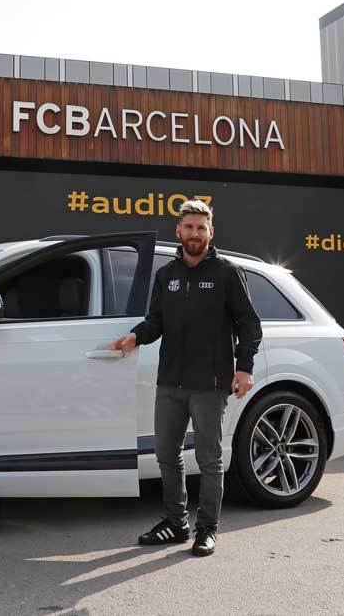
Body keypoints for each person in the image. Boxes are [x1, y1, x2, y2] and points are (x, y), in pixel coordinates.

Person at [111, 199, 262, 557]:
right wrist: (136, 336)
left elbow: (248, 324)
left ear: (211, 232)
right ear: (178, 231)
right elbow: (156, 321)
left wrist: (244, 367)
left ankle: (207, 528)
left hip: (210, 385)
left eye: (201, 228)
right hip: (170, 383)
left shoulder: (227, 273)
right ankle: (176, 523)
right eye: (189, 227)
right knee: (166, 454)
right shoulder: (167, 275)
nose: (195, 233)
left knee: (209, 459)